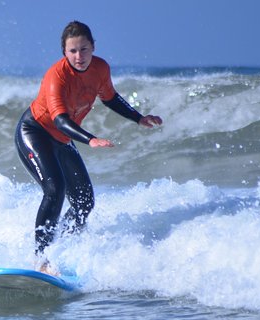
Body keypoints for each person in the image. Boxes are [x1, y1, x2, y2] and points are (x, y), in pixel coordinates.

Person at [15, 20, 162, 275]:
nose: (79, 56)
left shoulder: (100, 68)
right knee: (55, 189)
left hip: (62, 139)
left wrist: (139, 118)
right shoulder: (56, 76)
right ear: (64, 52)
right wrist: (90, 139)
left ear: (93, 47)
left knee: (84, 202)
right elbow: (60, 120)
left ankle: (62, 249)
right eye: (72, 51)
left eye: (83, 49)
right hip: (35, 131)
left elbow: (110, 98)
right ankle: (40, 259)